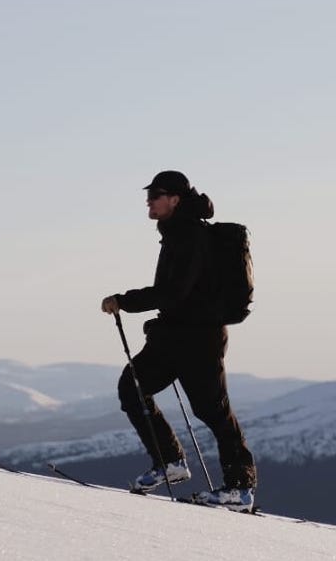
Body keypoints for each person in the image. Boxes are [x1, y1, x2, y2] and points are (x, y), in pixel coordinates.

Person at [100, 170, 257, 509]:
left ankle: (239, 488)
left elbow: (173, 291)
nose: (149, 200)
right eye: (149, 194)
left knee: (213, 411)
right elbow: (176, 294)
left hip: (199, 337)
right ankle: (170, 462)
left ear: (175, 199)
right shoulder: (176, 234)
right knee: (133, 387)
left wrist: (125, 300)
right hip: (176, 335)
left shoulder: (189, 236)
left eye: (156, 194)